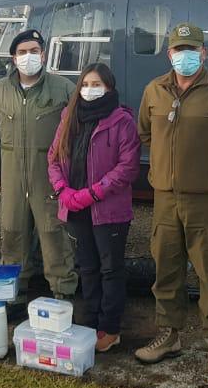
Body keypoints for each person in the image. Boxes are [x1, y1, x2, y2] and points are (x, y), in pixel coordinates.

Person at [134, 22, 208, 376]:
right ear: (169, 54)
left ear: (204, 53)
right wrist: (170, 164)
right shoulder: (154, 91)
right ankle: (169, 335)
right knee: (166, 269)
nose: (186, 56)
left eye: (192, 49)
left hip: (205, 200)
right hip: (165, 199)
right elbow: (145, 132)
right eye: (179, 50)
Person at [47, 62, 140, 352]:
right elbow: (53, 157)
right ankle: (90, 322)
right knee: (87, 267)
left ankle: (110, 328)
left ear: (109, 88)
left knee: (110, 268)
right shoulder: (69, 117)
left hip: (108, 209)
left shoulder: (121, 121)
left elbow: (127, 167)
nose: (90, 90)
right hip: (75, 207)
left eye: (97, 84)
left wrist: (92, 194)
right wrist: (63, 190)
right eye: (85, 85)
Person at [0, 29, 79, 318]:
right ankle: (14, 293)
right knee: (12, 231)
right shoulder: (0, 89)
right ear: (13, 58)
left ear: (43, 55)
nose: (29, 57)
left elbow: (75, 129)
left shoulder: (63, 88)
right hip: (13, 170)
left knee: (53, 231)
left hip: (49, 172)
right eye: (23, 52)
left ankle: (62, 291)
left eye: (34, 51)